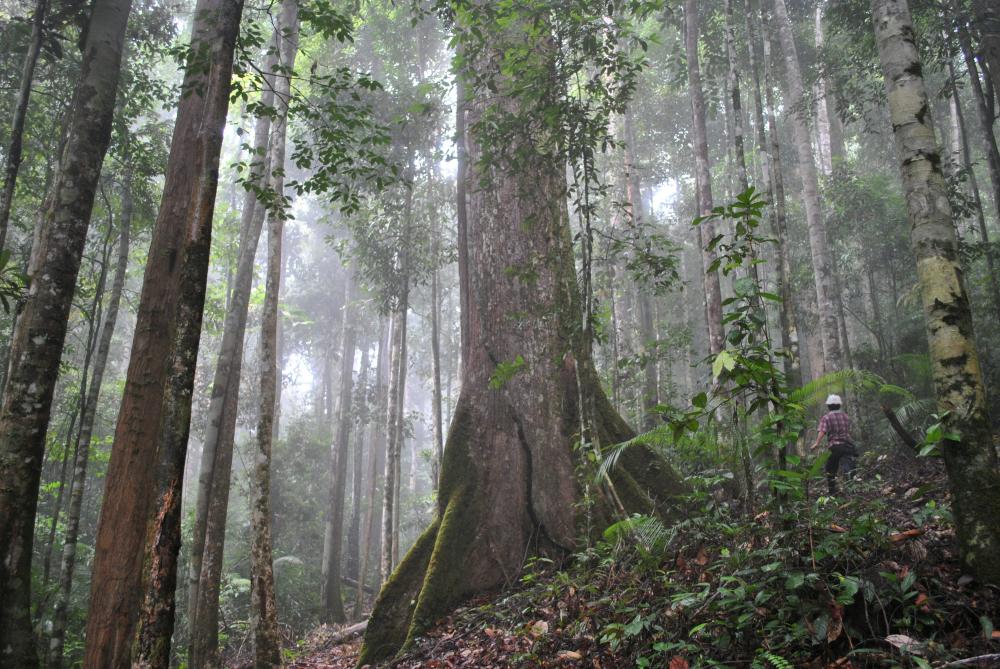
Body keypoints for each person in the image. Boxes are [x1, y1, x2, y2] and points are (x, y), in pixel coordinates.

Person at [810, 394, 857, 495]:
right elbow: (848, 431)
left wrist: (816, 443)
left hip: (834, 447)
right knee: (849, 468)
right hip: (847, 446)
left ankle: (832, 492)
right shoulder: (846, 417)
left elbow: (822, 431)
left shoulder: (826, 418)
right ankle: (852, 490)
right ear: (839, 405)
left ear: (829, 406)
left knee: (830, 469)